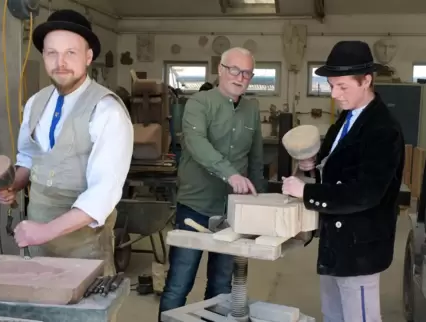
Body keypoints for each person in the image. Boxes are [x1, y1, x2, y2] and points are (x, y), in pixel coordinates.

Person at [0, 9, 133, 277]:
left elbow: (103, 193)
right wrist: (13, 183)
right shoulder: (36, 102)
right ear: (43, 55)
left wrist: (45, 231)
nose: (61, 62)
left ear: (88, 56)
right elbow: (29, 158)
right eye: (51, 53)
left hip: (82, 244)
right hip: (36, 236)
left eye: (71, 52)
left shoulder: (106, 110)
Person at [282, 40, 405, 322]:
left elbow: (366, 193)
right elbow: (336, 170)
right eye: (331, 85)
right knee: (333, 315)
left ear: (367, 81)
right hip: (336, 242)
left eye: (342, 86)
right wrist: (312, 166)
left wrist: (307, 192)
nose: (335, 93)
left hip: (359, 247)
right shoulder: (347, 118)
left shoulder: (383, 128)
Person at [158, 47, 265, 319]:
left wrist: (260, 203)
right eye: (235, 70)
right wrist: (230, 174)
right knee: (179, 283)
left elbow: (256, 156)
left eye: (247, 73)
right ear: (220, 69)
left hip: (232, 211)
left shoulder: (252, 108)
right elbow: (196, 144)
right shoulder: (198, 103)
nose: (241, 78)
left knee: (221, 287)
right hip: (195, 207)